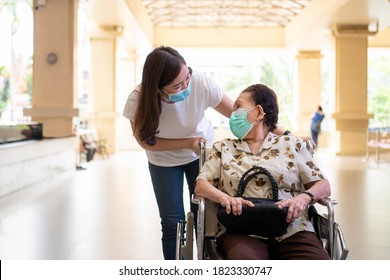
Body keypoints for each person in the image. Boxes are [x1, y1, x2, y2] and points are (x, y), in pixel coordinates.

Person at [123, 46, 309, 260]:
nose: (186, 86)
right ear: (157, 87)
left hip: (202, 154)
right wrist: (189, 142)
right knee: (172, 220)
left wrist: (287, 134)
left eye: (187, 77)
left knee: (206, 218)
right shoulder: (138, 100)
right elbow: (146, 141)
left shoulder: (201, 83)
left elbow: (242, 115)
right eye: (177, 85)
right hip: (163, 160)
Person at [195, 84, 331, 260]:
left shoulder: (291, 145)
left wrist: (304, 198)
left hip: (292, 227)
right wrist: (225, 198)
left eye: (238, 107)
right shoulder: (223, 148)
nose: (233, 113)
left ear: (259, 112)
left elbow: (323, 185)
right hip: (241, 228)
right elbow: (201, 185)